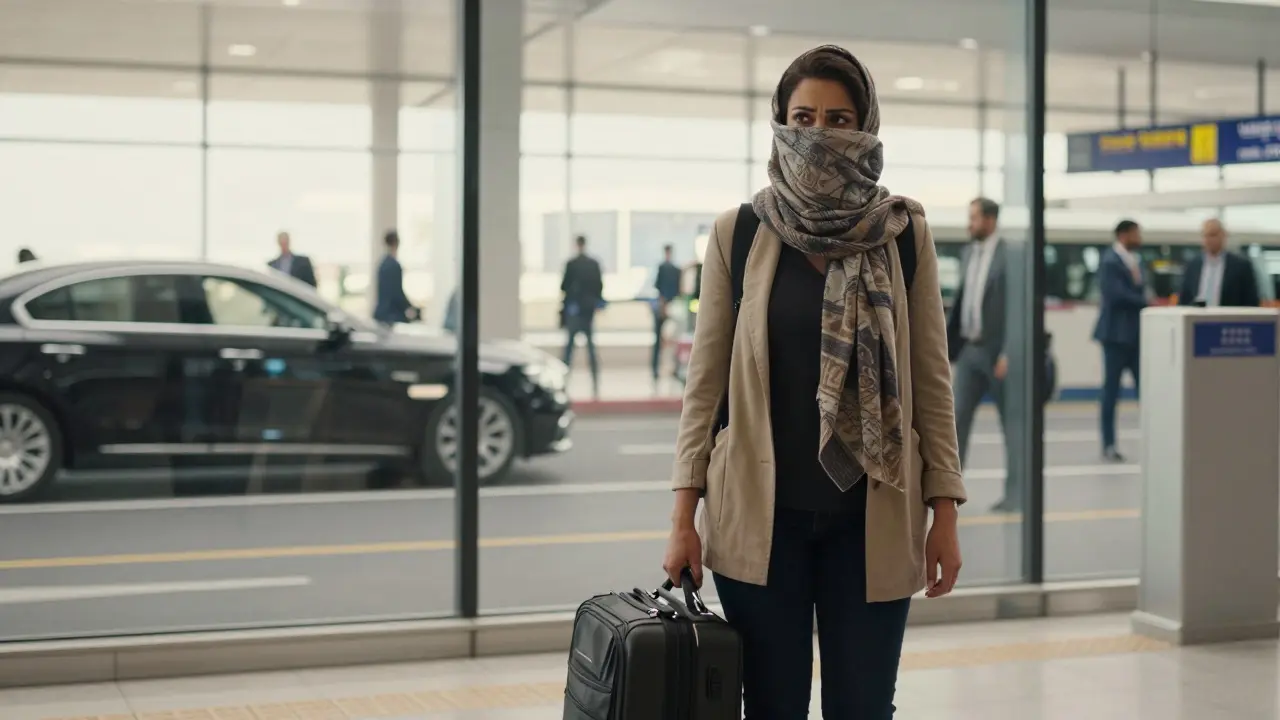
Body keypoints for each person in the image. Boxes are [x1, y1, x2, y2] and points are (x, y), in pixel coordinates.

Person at [662, 45, 965, 719]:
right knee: (774, 706)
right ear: (780, 121)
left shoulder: (902, 233)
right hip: (760, 523)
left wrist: (945, 512)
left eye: (837, 118)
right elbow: (703, 388)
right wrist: (683, 517)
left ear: (865, 125)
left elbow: (931, 382)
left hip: (873, 521)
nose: (818, 133)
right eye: (803, 117)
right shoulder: (740, 234)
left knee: (863, 707)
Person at [948, 197, 1012, 512]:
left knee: (1011, 425)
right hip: (969, 350)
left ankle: (1015, 494)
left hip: (998, 354)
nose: (969, 224)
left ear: (990, 220)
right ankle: (948, 494)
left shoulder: (1009, 257)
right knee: (956, 422)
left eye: (973, 218)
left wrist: (1009, 352)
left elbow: (1018, 309)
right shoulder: (968, 253)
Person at [1093, 220, 1146, 462]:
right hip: (1115, 336)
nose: (1139, 238)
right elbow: (1115, 295)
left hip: (1136, 335)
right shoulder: (1110, 261)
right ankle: (1109, 443)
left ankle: (1152, 439)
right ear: (1123, 235)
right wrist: (1144, 302)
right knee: (1111, 392)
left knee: (1145, 390)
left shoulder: (1136, 260)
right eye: (1136, 234)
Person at [1178, 218, 1260, 309]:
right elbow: (1184, 299)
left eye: (1213, 235)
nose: (1208, 239)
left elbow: (1251, 302)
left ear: (1223, 236)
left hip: (1228, 316)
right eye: (1205, 235)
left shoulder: (1241, 266)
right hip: (1197, 316)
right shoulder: (1192, 265)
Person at [560, 235, 603, 397]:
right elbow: (599, 287)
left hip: (574, 311)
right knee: (590, 347)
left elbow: (563, 286)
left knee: (569, 349)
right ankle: (595, 380)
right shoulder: (593, 264)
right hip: (588, 311)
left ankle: (564, 379)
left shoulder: (572, 264)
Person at [374, 230, 417, 326]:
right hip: (392, 315)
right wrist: (410, 308)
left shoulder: (382, 264)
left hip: (381, 314)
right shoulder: (394, 266)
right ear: (397, 244)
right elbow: (397, 293)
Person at [652, 244, 682, 381]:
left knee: (663, 340)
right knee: (671, 339)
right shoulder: (675, 270)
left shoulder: (664, 268)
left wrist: (662, 305)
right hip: (672, 306)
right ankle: (671, 368)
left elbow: (659, 288)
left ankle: (656, 369)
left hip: (666, 306)